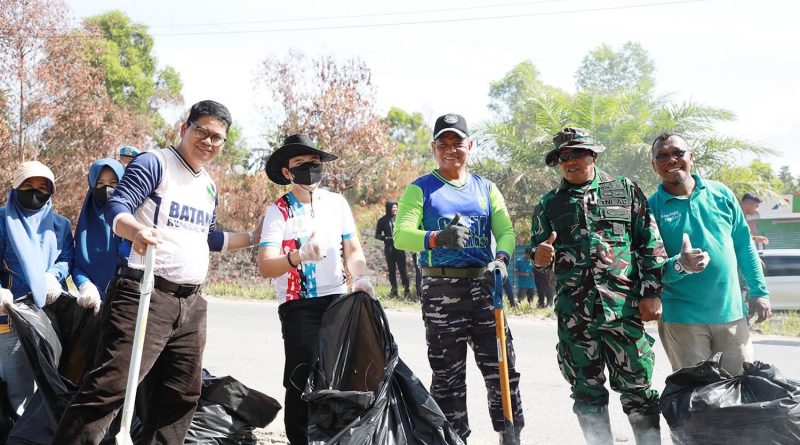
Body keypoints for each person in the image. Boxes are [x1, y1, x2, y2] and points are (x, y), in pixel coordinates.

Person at [54, 100, 260, 444]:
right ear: (185, 128)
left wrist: (254, 237)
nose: (208, 142)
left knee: (180, 397)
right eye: (202, 131)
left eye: (217, 138)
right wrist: (135, 231)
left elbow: (209, 237)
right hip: (144, 294)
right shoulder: (155, 163)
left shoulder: (208, 185)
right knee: (109, 388)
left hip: (191, 305)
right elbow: (118, 205)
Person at [530, 128, 666, 445]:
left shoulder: (625, 190)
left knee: (638, 390)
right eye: (563, 157)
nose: (570, 161)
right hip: (575, 316)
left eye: (577, 153)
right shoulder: (550, 204)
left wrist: (651, 292)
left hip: (624, 310)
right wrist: (540, 257)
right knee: (585, 393)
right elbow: (537, 255)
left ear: (593, 155)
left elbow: (650, 244)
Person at [394, 113, 524, 443]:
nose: (451, 150)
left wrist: (501, 258)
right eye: (443, 144)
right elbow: (402, 236)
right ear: (434, 147)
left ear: (471, 145)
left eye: (458, 143)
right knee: (448, 377)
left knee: (502, 370)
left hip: (484, 287)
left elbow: (506, 231)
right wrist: (435, 238)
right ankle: (452, 439)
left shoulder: (486, 188)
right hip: (441, 291)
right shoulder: (420, 189)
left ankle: (511, 435)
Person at [257, 133, 373, 445]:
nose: (309, 168)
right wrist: (298, 256)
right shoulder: (278, 211)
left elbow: (353, 249)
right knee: (301, 379)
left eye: (314, 162)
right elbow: (266, 265)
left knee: (339, 377)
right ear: (287, 172)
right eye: (300, 164)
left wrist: (359, 276)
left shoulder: (337, 204)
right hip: (298, 306)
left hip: (337, 301)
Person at [648, 132, 771, 376]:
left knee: (739, 391)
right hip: (682, 318)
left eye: (678, 153)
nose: (671, 160)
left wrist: (759, 291)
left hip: (731, 314)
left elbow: (744, 246)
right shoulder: (650, 208)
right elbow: (651, 267)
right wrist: (680, 264)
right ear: (654, 165)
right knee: (696, 398)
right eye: (662, 156)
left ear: (690, 157)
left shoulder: (721, 194)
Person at [0, 161, 73, 417]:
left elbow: (66, 258)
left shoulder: (60, 225)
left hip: (48, 316)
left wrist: (53, 277)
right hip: (9, 316)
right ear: (15, 187)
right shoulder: (2, 220)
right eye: (27, 185)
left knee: (48, 384)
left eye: (42, 187)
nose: (35, 192)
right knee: (16, 386)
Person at [72, 158, 126, 316]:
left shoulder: (134, 220)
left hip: (127, 305)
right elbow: (77, 265)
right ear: (92, 186)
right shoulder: (86, 224)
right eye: (100, 183)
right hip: (92, 307)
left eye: (113, 183)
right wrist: (86, 285)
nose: (107, 188)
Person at [375, 200, 410, 298]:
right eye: (393, 207)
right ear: (388, 208)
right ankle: (394, 291)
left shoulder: (400, 219)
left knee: (403, 269)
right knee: (392, 270)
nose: (395, 209)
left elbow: (406, 230)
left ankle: (406, 290)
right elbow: (377, 235)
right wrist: (385, 238)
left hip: (399, 247)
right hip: (389, 248)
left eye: (396, 207)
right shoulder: (382, 221)